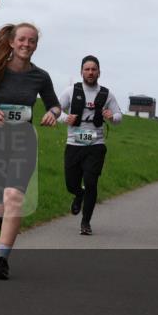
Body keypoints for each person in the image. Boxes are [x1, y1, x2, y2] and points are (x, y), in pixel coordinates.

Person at [0, 23, 60, 279]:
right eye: (22, 40)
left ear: (36, 45)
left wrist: (52, 113)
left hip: (24, 141)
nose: (27, 44)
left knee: (13, 197)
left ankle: (1, 259)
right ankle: (3, 226)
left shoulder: (41, 76)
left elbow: (55, 105)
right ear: (12, 42)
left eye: (32, 41)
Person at [57, 55, 122, 234]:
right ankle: (79, 194)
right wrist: (65, 118)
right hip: (74, 144)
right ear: (81, 72)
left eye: (94, 69)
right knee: (71, 183)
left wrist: (112, 117)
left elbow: (119, 116)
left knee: (91, 182)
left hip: (96, 144)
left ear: (99, 72)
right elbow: (55, 109)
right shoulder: (71, 91)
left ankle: (86, 223)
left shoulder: (106, 94)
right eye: (87, 69)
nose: (90, 72)